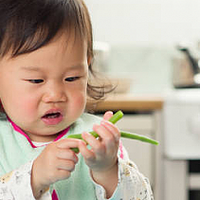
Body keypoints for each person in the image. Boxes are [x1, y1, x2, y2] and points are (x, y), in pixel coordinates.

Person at [0, 0, 154, 199]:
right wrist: (34, 177)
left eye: (72, 78)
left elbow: (142, 197)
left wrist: (107, 170)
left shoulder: (98, 140)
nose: (55, 95)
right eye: (36, 80)